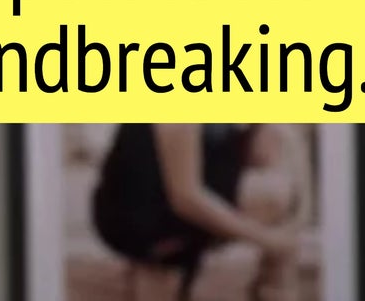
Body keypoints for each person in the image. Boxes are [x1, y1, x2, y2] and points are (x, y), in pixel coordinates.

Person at [92, 124, 311, 301]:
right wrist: (268, 239)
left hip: (191, 178)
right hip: (141, 213)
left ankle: (273, 286)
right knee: (268, 198)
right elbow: (186, 199)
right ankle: (160, 261)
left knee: (281, 141)